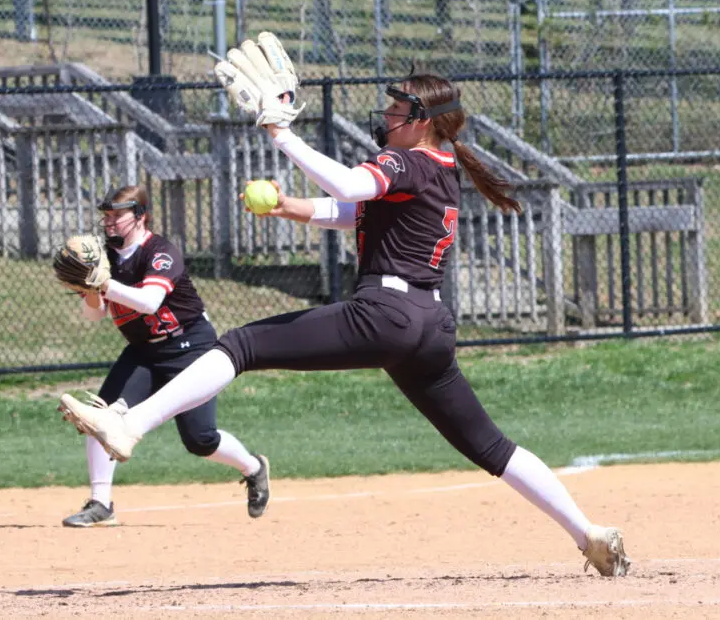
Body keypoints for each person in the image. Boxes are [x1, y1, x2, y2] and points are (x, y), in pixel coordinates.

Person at [59, 75, 630, 576]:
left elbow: (352, 187)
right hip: (428, 324)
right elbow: (352, 211)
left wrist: (282, 134)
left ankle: (130, 428)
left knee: (242, 344)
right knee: (489, 445)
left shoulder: (406, 159)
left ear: (422, 121)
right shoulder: (442, 167)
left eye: (395, 111)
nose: (386, 118)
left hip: (384, 313)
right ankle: (588, 535)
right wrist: (288, 207)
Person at [58, 185, 270, 527]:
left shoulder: (160, 251)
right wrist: (91, 288)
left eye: (117, 215)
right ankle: (100, 504)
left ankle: (254, 468)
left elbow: (150, 302)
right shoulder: (107, 257)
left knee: (200, 439)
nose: (109, 222)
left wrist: (105, 284)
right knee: (99, 417)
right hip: (144, 351)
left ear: (140, 216)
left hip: (192, 349)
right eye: (106, 216)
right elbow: (93, 315)